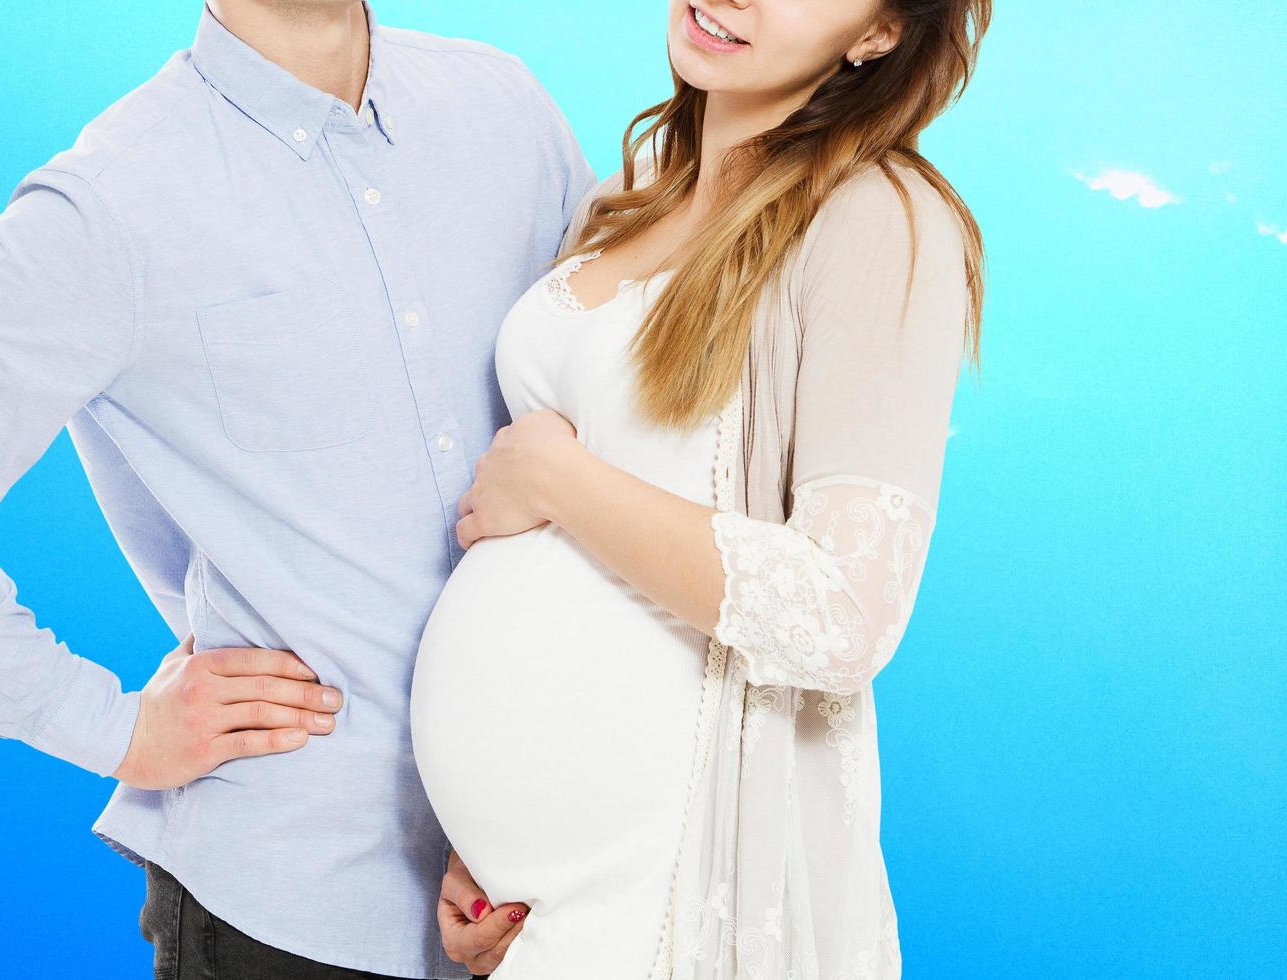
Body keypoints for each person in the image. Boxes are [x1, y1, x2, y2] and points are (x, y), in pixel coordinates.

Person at [0, 1, 592, 977]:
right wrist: (112, 725)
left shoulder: (504, 106)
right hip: (291, 909)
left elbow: (604, 408)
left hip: (537, 875)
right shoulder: (107, 204)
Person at [411, 0, 990, 976]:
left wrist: (557, 477)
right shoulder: (632, 189)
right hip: (532, 910)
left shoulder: (877, 217)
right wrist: (490, 839)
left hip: (670, 888)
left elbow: (845, 613)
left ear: (878, 34)